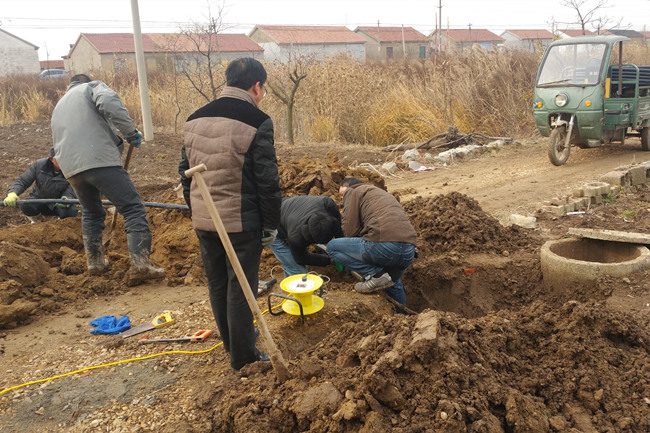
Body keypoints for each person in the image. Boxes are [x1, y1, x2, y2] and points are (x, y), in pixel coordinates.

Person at [179, 57, 281, 372]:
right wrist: (271, 224)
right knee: (241, 287)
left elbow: (185, 172)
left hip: (204, 218)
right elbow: (267, 180)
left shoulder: (194, 118)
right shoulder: (257, 120)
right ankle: (243, 358)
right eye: (263, 89)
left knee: (218, 283)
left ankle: (233, 343)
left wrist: (195, 210)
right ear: (257, 86)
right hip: (240, 222)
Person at [51, 73, 164, 282]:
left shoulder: (60, 105)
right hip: (99, 159)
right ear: (85, 81)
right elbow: (109, 102)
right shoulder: (91, 87)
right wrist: (130, 132)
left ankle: (95, 263)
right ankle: (141, 266)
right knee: (133, 208)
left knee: (91, 213)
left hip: (71, 168)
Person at [326, 177, 417, 307]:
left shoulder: (353, 191)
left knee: (332, 248)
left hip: (384, 246)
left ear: (351, 187)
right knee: (393, 283)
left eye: (342, 194)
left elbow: (350, 231)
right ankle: (401, 316)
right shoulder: (381, 194)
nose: (342, 198)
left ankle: (375, 274)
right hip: (408, 251)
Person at [270, 195, 344, 277]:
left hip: (288, 208)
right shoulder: (296, 238)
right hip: (270, 225)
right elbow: (302, 258)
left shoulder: (328, 205)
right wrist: (330, 260)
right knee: (299, 273)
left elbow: (339, 230)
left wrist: (342, 250)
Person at [3, 147, 78, 220]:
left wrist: (67, 198)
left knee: (71, 212)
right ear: (52, 159)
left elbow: (73, 186)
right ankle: (37, 220)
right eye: (59, 160)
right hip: (39, 199)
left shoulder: (72, 169)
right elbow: (23, 180)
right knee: (25, 204)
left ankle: (61, 222)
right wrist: (12, 193)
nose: (63, 163)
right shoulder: (39, 165)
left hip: (59, 202)